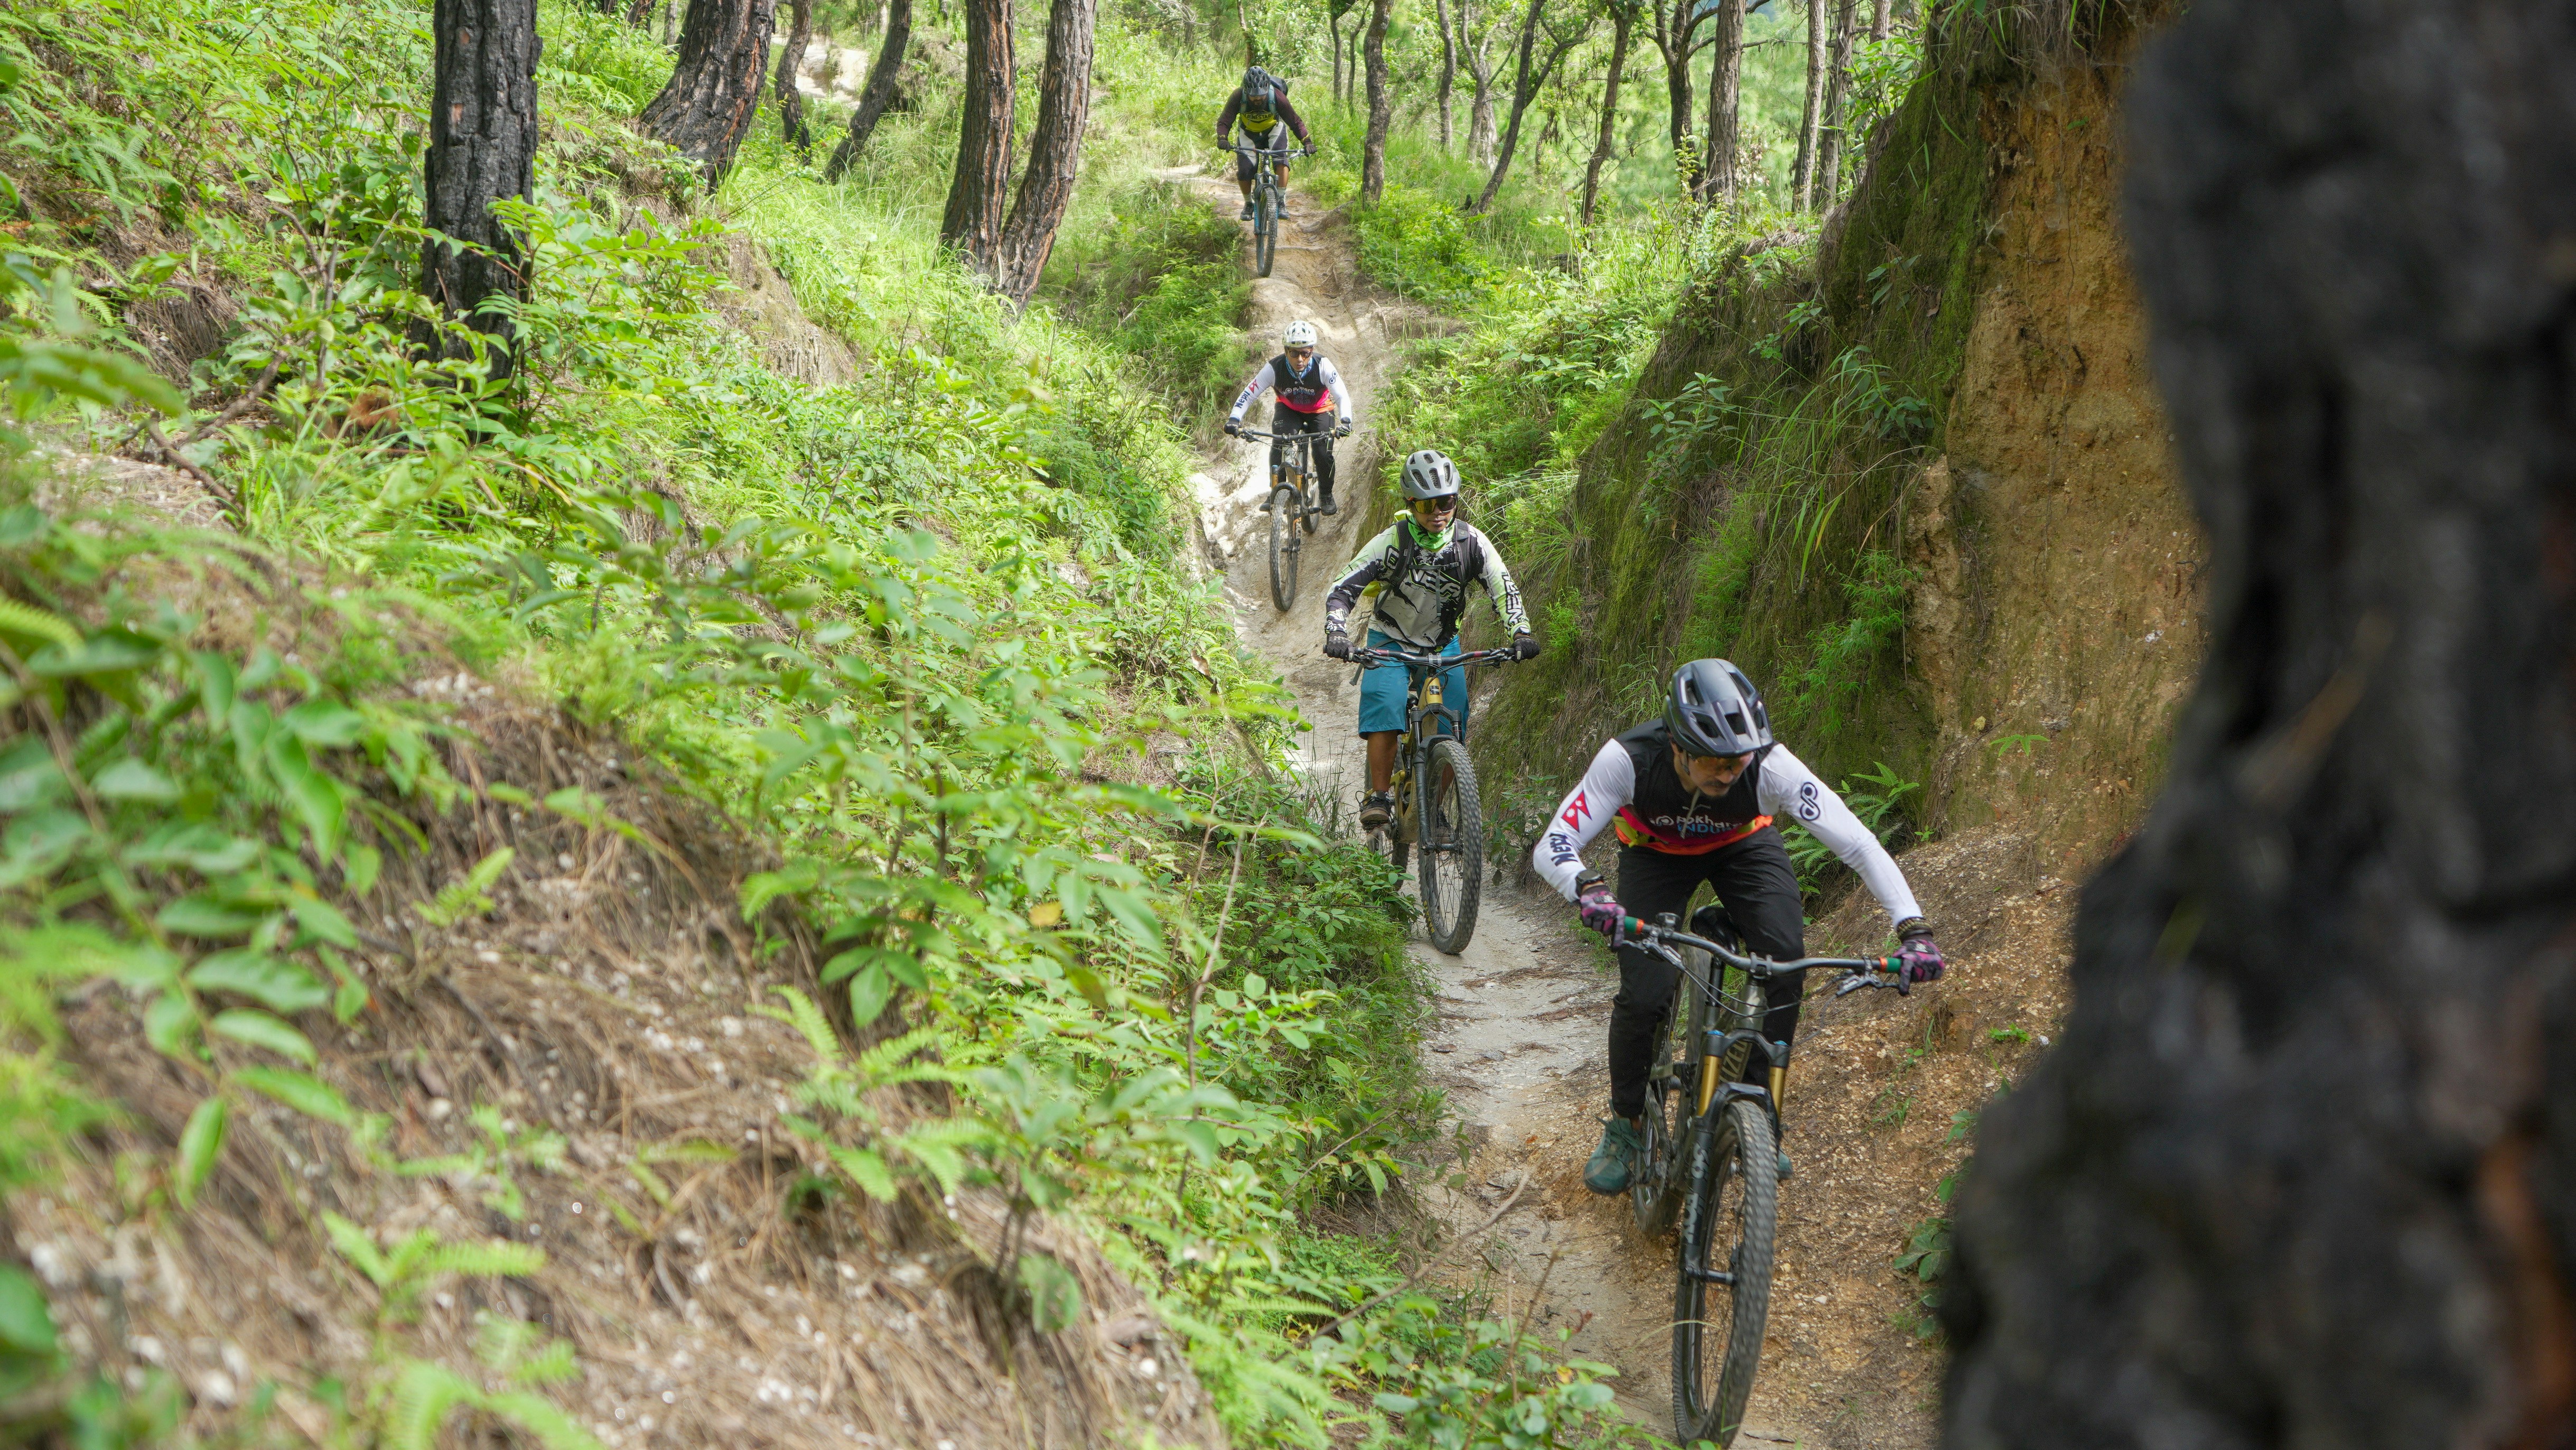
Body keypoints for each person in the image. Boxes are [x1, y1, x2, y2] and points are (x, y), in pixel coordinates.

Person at [1530, 658, 1946, 1195]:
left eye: (1737, 760)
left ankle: (1755, 1111)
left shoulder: (1772, 767)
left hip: (1743, 848)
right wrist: (1587, 888)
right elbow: (1554, 843)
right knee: (1646, 991)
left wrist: (1913, 926)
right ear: (1677, 747)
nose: (1728, 772)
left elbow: (1859, 843)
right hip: (1655, 855)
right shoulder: (1628, 759)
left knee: (1783, 956)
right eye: (1712, 761)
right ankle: (1626, 1124)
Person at [1322, 450, 1538, 830]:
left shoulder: (1471, 543)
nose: (1438, 511)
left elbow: (1504, 589)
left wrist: (1520, 631)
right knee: (1386, 704)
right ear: (1410, 503)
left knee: (1454, 722)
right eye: (1427, 504)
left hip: (1442, 646)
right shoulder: (1392, 541)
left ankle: (1432, 807)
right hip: (1389, 641)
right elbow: (1342, 589)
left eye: (1447, 501)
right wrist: (1336, 630)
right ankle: (1379, 797)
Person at [1226, 320, 1353, 513]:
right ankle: (1277, 491)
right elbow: (1249, 393)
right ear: (1286, 351)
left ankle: (1326, 494)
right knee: (1279, 444)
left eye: (1305, 353)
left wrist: (1346, 421)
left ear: (1312, 350)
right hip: (1289, 409)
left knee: (1322, 453)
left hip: (1320, 409)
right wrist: (1235, 418)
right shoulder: (1274, 368)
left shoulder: (1323, 365)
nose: (1300, 358)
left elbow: (1341, 395)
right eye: (1294, 353)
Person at [1214, 66, 1313, 220]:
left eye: (1262, 97)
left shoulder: (1277, 97)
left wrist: (1307, 142)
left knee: (1281, 159)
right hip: (1249, 133)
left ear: (1267, 89)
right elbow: (1225, 121)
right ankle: (1248, 204)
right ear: (1247, 92)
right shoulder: (1238, 96)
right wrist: (1223, 139)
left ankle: (1281, 201)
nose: (1258, 100)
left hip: (1274, 130)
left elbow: (1295, 122)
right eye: (1254, 98)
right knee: (1246, 170)